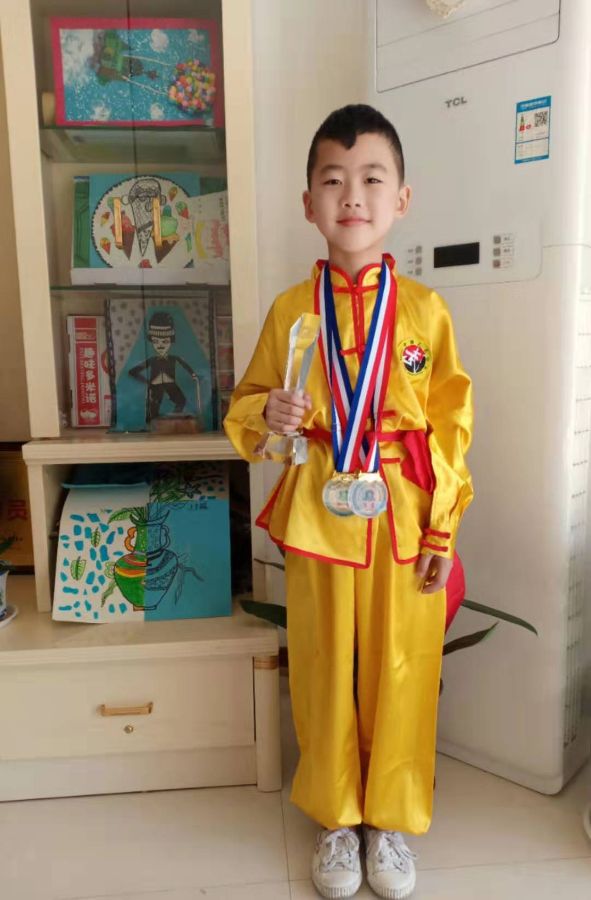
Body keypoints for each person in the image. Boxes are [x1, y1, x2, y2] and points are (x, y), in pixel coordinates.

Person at [224, 104, 473, 899]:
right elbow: (247, 409)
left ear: (402, 197)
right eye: (332, 181)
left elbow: (449, 427)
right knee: (324, 667)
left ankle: (389, 821)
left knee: (404, 669)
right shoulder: (291, 312)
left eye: (371, 178)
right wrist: (269, 413)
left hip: (403, 517)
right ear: (309, 203)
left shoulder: (425, 311)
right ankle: (335, 817)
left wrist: (442, 529)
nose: (352, 196)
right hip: (321, 511)